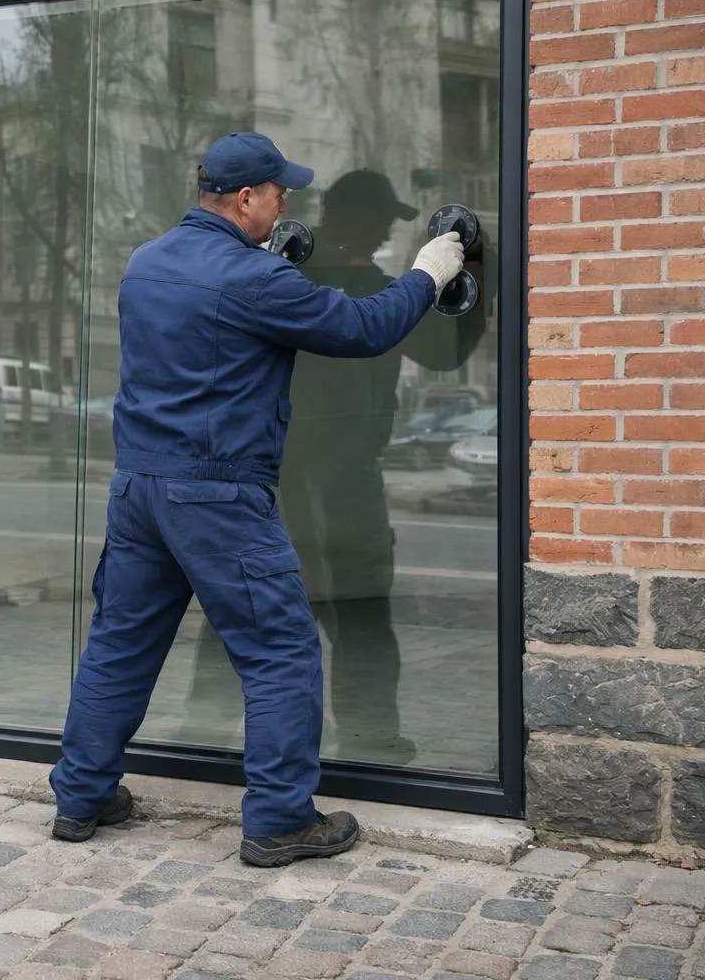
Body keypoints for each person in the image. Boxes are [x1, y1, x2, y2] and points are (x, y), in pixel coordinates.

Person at [47, 133, 465, 868]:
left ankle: (82, 797)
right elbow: (363, 329)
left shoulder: (147, 264)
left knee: (120, 643)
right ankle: (279, 819)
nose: (285, 205)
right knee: (281, 649)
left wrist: (269, 265)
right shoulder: (249, 280)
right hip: (215, 490)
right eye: (279, 194)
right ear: (246, 198)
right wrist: (429, 272)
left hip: (140, 487)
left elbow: (208, 331)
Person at [182, 168, 488, 765]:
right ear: (348, 216)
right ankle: (354, 739)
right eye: (376, 219)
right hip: (295, 471)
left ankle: (221, 730)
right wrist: (450, 272)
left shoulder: (318, 276)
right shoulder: (296, 279)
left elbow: (438, 353)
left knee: (308, 607)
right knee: (344, 608)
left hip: (327, 472)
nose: (379, 233)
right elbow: (427, 348)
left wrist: (468, 277)